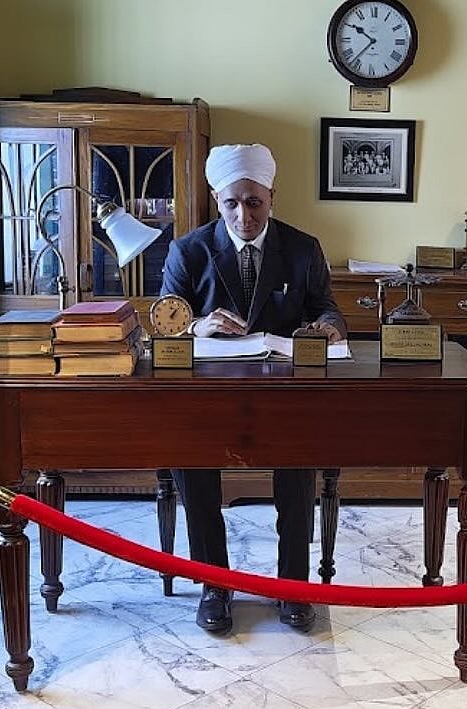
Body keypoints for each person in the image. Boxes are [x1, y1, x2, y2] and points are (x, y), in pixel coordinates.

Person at [160, 143, 347, 634]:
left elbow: (325, 307)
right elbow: (166, 323)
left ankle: (293, 584)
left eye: (255, 203)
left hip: (285, 392)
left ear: (272, 197)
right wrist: (197, 326)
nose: (243, 215)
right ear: (217, 200)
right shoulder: (188, 250)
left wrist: (328, 326)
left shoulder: (303, 248)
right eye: (231, 204)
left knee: (299, 464)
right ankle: (214, 583)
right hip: (210, 395)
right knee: (192, 461)